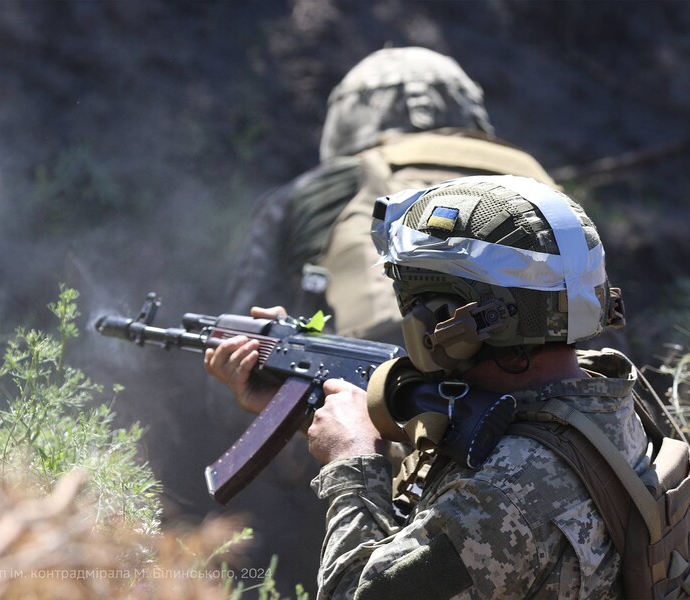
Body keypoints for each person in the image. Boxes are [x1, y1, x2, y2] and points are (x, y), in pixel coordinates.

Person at [205, 175, 645, 598]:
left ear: (450, 317)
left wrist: (352, 462)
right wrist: (308, 412)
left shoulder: (505, 497)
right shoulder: (604, 394)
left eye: (412, 300)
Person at [228, 46, 556, 345]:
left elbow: (245, 333)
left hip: (370, 392)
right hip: (549, 391)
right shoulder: (538, 181)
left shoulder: (315, 189)